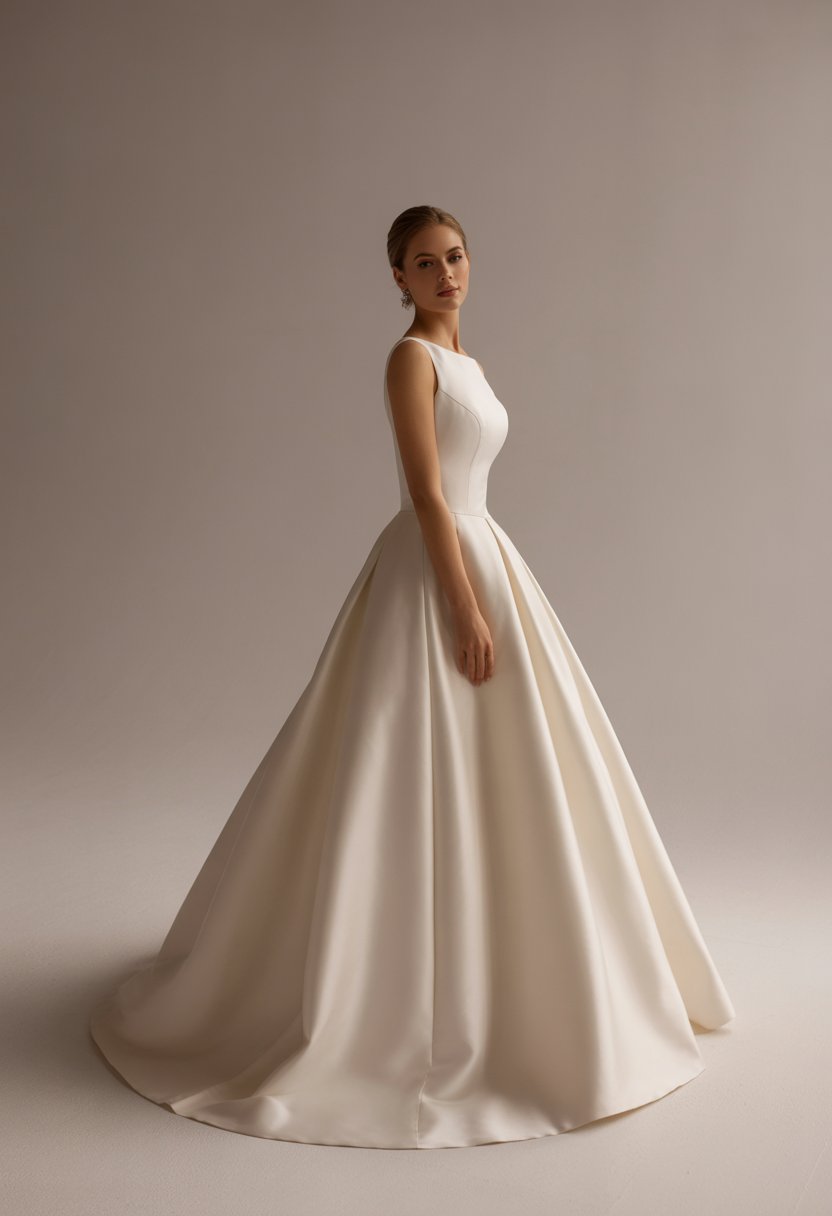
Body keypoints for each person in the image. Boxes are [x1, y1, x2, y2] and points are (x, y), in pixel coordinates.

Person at [89, 204, 735, 1150]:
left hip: (489, 554)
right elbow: (428, 493)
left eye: (455, 257)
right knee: (394, 770)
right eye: (424, 264)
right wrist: (464, 606)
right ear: (398, 278)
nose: (445, 274)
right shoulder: (411, 360)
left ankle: (534, 986)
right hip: (440, 568)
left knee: (522, 772)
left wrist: (484, 584)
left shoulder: (468, 361)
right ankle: (378, 993)